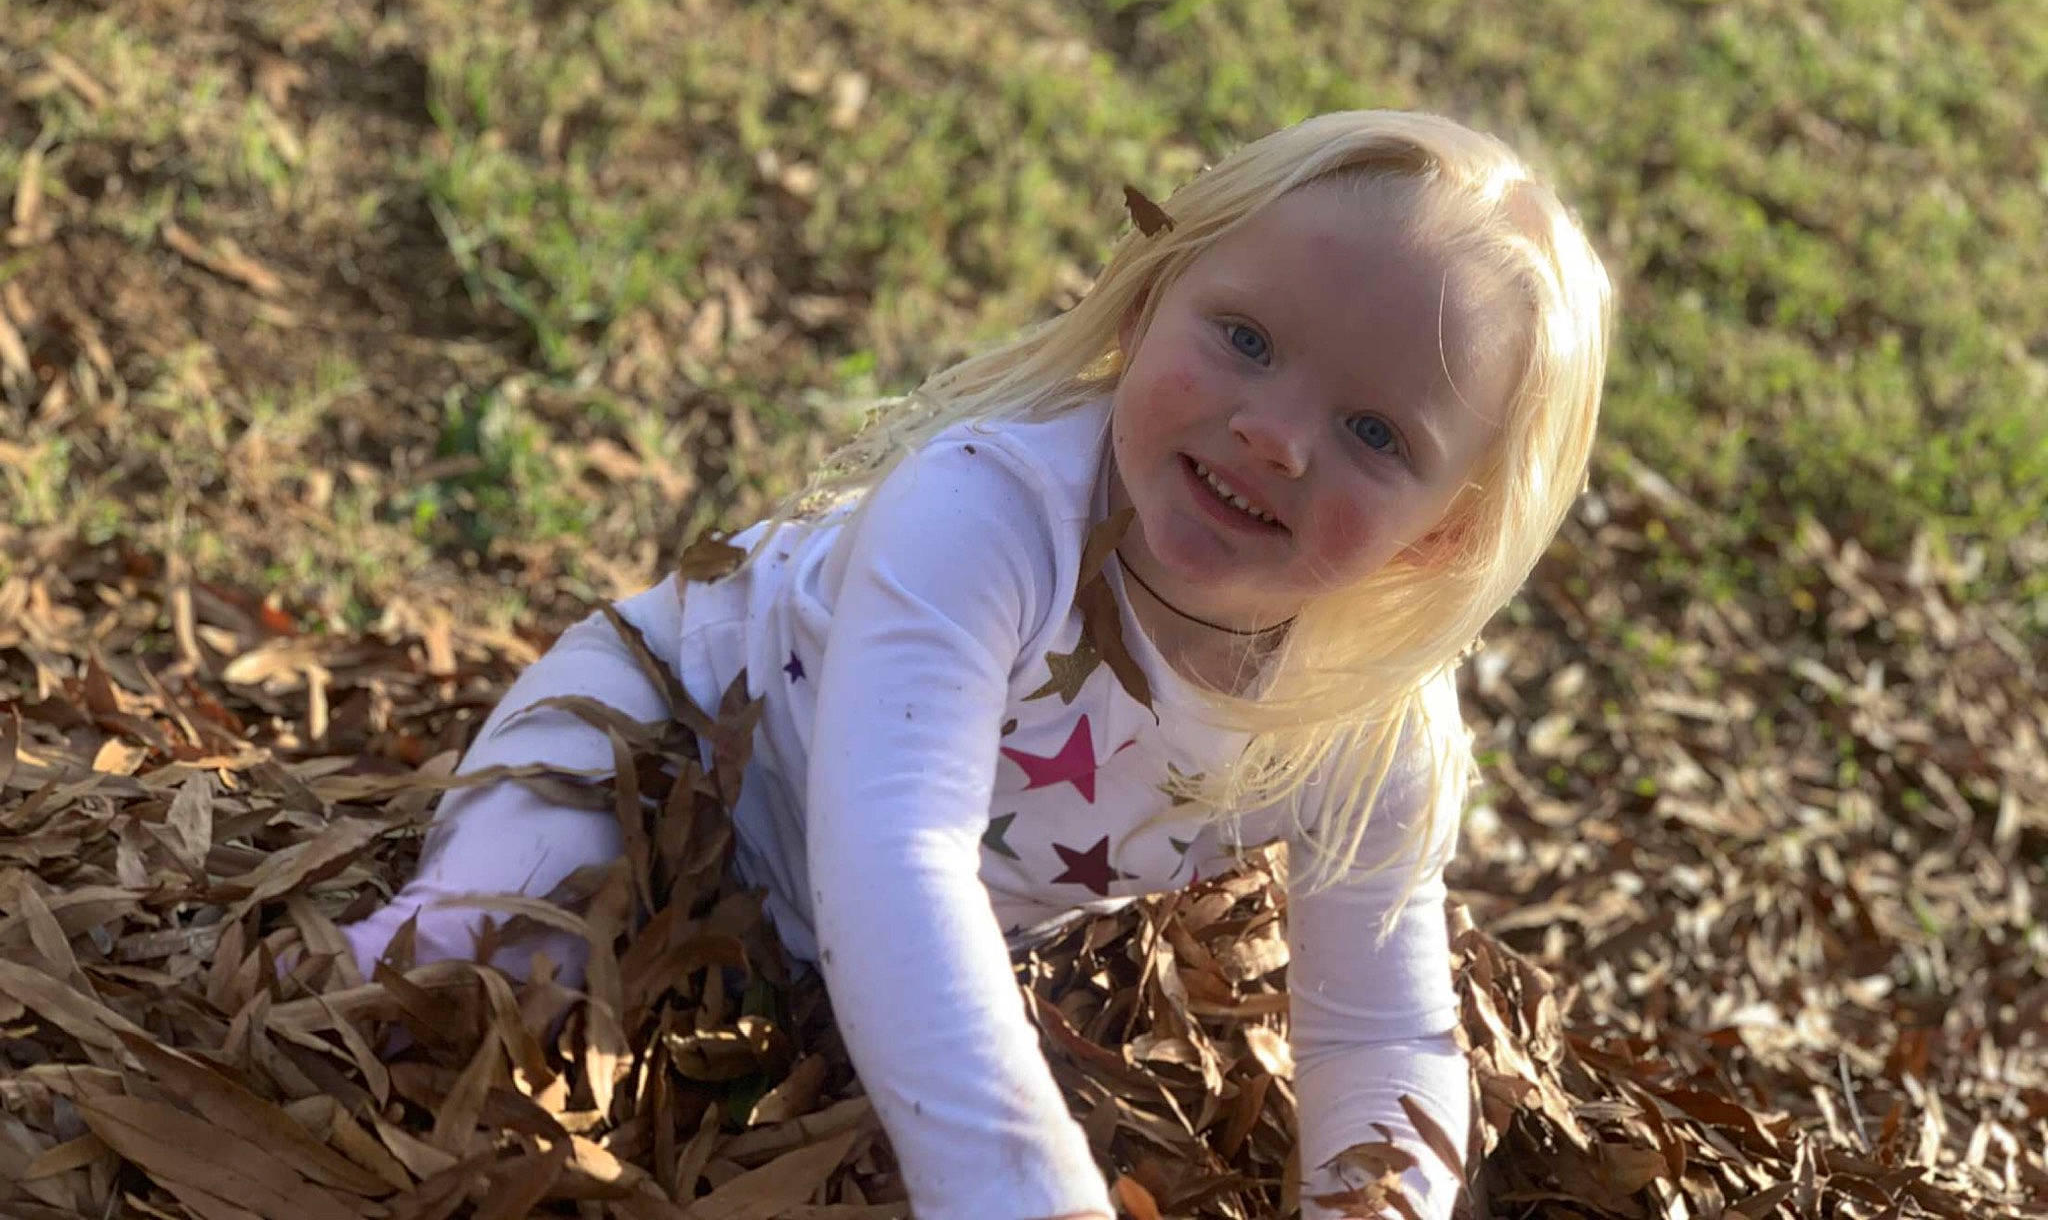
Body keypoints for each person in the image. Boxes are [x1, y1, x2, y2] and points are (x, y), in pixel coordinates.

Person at [340, 109, 1614, 1220]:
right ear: (1145, 296)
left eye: (1374, 430)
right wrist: (1027, 1193)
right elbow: (897, 852)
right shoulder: (986, 513)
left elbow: (1379, 1029)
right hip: (656, 738)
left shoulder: (1371, 720)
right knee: (483, 968)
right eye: (1241, 338)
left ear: (1442, 531)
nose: (1273, 434)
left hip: (834, 945)